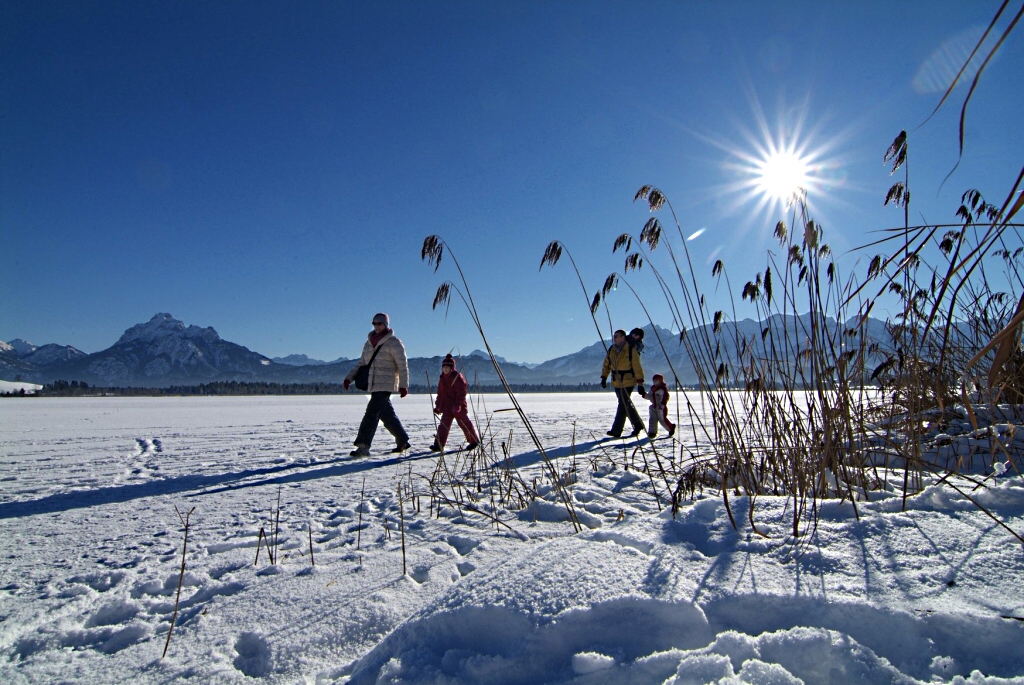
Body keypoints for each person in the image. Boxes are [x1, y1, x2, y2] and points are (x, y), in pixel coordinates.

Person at [343, 312, 411, 456]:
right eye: (374, 323)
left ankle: (363, 445)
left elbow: (402, 365)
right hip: (373, 384)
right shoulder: (369, 343)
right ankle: (402, 440)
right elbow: (362, 363)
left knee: (371, 414)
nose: (376, 326)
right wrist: (349, 378)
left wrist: (404, 385)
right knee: (387, 415)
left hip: (386, 384)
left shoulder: (394, 342)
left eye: (379, 323)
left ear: (385, 325)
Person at [600, 329, 646, 438]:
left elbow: (637, 367)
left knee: (623, 404)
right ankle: (638, 424)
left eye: (617, 336)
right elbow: (607, 364)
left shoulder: (631, 350)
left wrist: (640, 384)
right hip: (617, 381)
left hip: (629, 380)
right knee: (626, 405)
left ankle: (616, 430)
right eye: (614, 336)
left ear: (623, 337)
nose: (615, 338)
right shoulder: (612, 349)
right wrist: (604, 377)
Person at [429, 354, 480, 453]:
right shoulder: (442, 378)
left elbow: (462, 393)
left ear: (452, 368)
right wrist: (438, 406)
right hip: (447, 407)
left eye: (447, 367)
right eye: (444, 367)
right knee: (443, 426)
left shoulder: (457, 377)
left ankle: (474, 441)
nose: (445, 369)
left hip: (458, 407)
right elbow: (440, 394)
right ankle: (438, 445)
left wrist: (457, 405)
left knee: (464, 424)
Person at [647, 373, 676, 439]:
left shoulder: (663, 389)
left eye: (657, 381)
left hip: (660, 407)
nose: (655, 382)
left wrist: (663, 404)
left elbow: (666, 397)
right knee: (652, 419)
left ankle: (671, 428)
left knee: (662, 420)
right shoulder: (652, 389)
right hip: (653, 406)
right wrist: (643, 394)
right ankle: (652, 432)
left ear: (660, 381)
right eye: (654, 381)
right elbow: (649, 396)